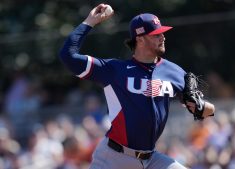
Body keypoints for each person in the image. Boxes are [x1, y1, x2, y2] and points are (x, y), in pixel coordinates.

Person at [59, 3, 214, 169]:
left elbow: (208, 111)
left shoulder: (174, 72)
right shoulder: (115, 70)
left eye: (162, 33)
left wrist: (199, 106)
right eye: (156, 34)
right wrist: (90, 22)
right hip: (113, 158)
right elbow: (68, 56)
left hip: (151, 159)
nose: (162, 37)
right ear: (139, 39)